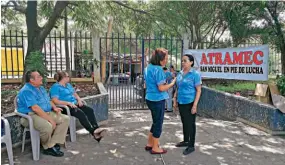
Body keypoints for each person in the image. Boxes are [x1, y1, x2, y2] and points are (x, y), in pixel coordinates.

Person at [17, 70, 70, 157]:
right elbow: (35, 108)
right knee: (47, 126)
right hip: (30, 116)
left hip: (45, 112)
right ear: (31, 80)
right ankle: (47, 148)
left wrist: (54, 107)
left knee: (65, 119)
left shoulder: (41, 88)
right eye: (38, 77)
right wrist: (50, 120)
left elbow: (48, 100)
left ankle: (51, 144)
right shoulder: (27, 91)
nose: (41, 77)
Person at [50, 71, 107, 142]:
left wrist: (79, 100)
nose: (69, 78)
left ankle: (96, 129)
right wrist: (68, 103)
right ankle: (93, 132)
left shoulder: (68, 85)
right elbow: (55, 101)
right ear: (63, 78)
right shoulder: (55, 87)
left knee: (89, 110)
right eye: (68, 76)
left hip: (74, 104)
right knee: (81, 114)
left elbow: (74, 94)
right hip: (64, 107)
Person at [144, 48, 176, 154]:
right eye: (165, 58)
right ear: (160, 59)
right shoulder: (158, 70)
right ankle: (155, 148)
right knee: (158, 124)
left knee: (155, 122)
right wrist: (172, 83)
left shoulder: (149, 67)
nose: (166, 60)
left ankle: (150, 143)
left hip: (150, 98)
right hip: (158, 100)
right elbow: (161, 88)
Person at [173, 54, 202, 155]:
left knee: (191, 124)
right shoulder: (180, 73)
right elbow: (178, 87)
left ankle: (191, 145)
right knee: (184, 122)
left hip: (190, 102)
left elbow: (198, 90)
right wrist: (175, 99)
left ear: (191, 62)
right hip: (181, 101)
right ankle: (185, 141)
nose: (183, 62)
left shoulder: (195, 74)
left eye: (185, 61)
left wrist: (195, 105)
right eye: (182, 61)